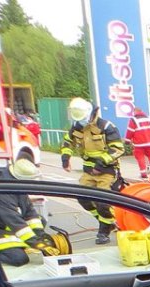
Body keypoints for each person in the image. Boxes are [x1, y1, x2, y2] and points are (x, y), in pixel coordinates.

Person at [60, 97, 125, 244]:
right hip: (89, 171)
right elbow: (67, 142)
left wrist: (100, 165)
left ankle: (104, 229)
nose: (81, 122)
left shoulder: (106, 126)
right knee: (83, 198)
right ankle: (105, 220)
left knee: (103, 202)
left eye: (83, 119)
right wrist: (65, 158)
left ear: (90, 113)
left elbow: (117, 149)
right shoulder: (77, 126)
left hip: (107, 171)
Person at [0, 157, 60, 266]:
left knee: (40, 220)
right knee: (19, 259)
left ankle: (18, 244)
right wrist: (37, 244)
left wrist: (41, 235)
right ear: (20, 179)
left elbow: (30, 213)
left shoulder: (15, 186)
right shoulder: (1, 193)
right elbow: (15, 222)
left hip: (4, 226)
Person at [124, 107, 150, 180]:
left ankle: (143, 174)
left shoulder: (133, 120)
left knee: (140, 157)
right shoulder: (149, 119)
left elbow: (130, 131)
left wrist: (127, 140)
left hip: (139, 143)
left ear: (135, 112)